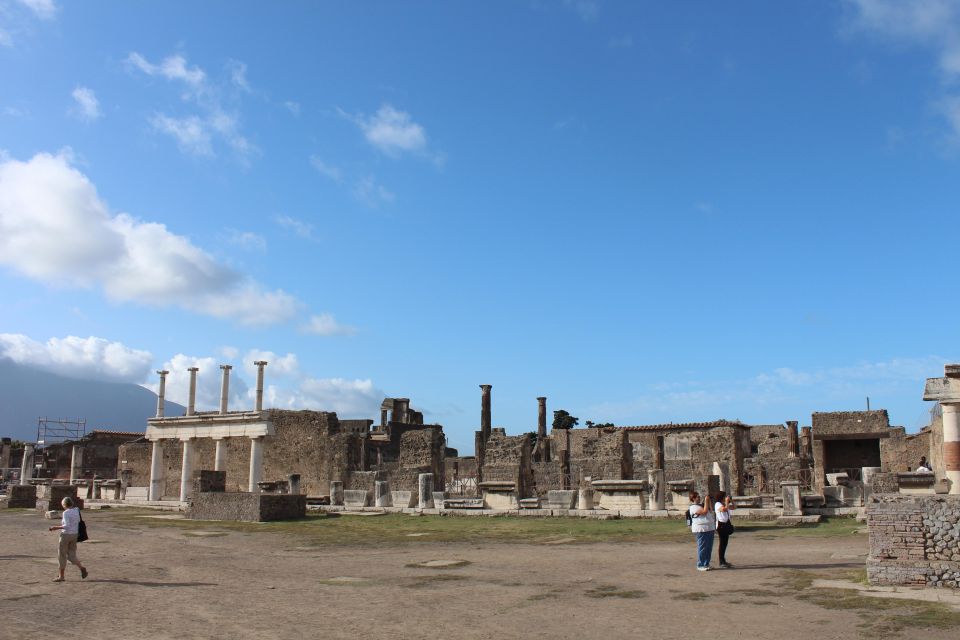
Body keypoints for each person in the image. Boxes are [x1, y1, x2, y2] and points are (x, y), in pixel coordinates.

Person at [48, 497, 88, 582]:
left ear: (64, 505)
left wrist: (55, 527)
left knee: (62, 555)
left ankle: (61, 576)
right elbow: (78, 521)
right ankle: (81, 567)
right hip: (75, 534)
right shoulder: (76, 510)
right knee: (71, 554)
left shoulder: (66, 513)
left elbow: (66, 525)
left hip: (66, 535)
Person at [689, 491, 716, 571]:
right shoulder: (693, 507)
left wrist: (709, 501)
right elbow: (704, 512)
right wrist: (706, 501)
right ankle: (700, 564)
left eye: (699, 497)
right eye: (697, 497)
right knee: (702, 547)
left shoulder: (702, 505)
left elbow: (710, 510)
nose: (699, 498)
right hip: (700, 530)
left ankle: (706, 563)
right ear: (693, 498)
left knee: (708, 548)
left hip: (709, 528)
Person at [714, 491, 735, 568]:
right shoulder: (717, 504)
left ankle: (723, 560)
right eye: (725, 496)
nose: (726, 497)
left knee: (725, 543)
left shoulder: (724, 504)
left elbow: (734, 507)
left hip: (726, 524)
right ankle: (721, 561)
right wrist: (726, 502)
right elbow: (724, 510)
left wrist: (731, 501)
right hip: (721, 525)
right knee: (722, 543)